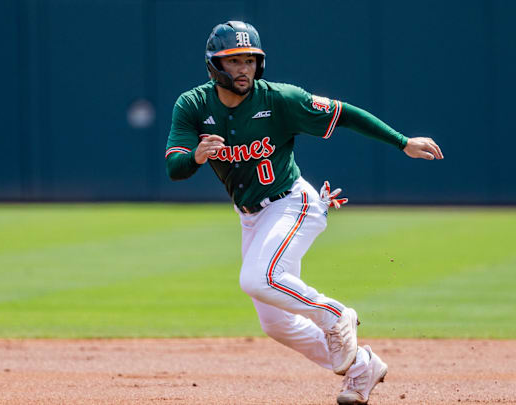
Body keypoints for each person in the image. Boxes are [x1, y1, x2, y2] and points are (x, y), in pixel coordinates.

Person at [164, 21, 443, 404]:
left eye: (250, 60)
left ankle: (336, 315)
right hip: (252, 216)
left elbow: (343, 113)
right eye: (233, 61)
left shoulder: (279, 99)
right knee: (276, 323)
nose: (243, 68)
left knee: (257, 278)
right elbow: (174, 167)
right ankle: (363, 368)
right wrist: (195, 156)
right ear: (214, 65)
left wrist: (402, 142)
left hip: (293, 203)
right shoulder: (194, 105)